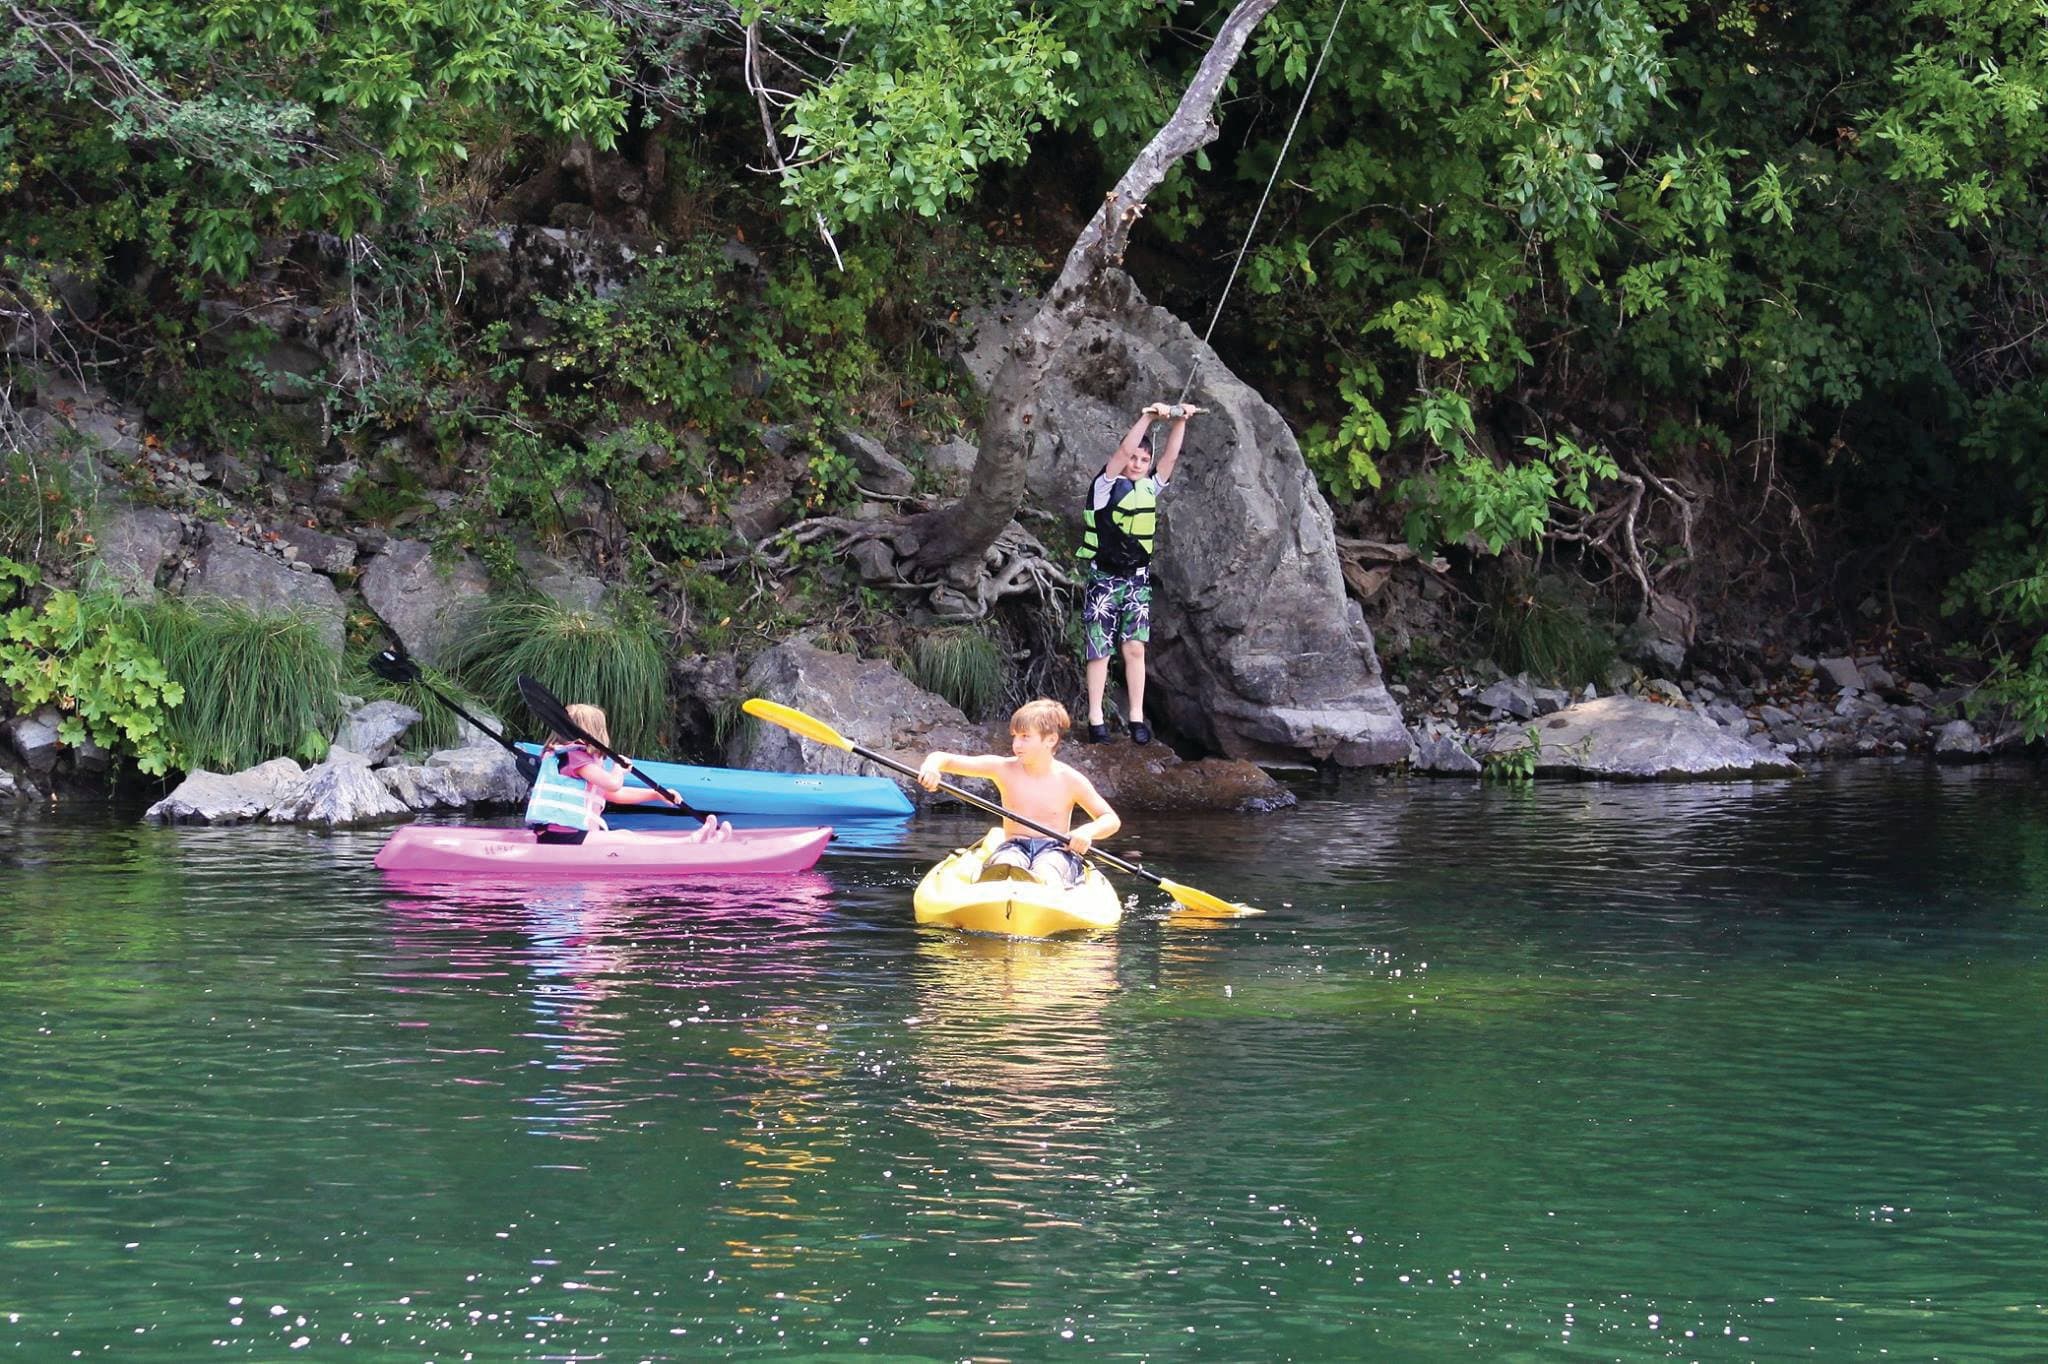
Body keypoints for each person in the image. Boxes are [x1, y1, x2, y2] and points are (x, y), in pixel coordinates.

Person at [1077, 399, 1204, 744]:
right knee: (1100, 648)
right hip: (1104, 579)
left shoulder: (1150, 485)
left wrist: (1180, 420)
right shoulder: (1105, 485)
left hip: (1136, 580)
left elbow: (1170, 459)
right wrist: (1147, 416)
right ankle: (1095, 718)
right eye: (1134, 458)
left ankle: (1136, 717)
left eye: (1143, 460)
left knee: (1134, 647)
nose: (1136, 463)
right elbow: (1123, 449)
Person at [916, 698, 1120, 887]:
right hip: (1014, 846)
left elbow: (1110, 819)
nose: (1016, 745)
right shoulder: (1003, 768)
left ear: (1050, 740)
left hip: (1056, 849)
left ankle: (1041, 888)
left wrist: (1086, 832)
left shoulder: (1070, 780)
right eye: (1015, 737)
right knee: (1006, 865)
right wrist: (931, 768)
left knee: (1047, 870)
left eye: (1025, 737)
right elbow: (942, 758)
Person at [523, 703, 729, 844]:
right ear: (595, 733)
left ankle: (696, 840)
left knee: (623, 836)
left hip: (568, 834)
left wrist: (655, 794)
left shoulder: (577, 760)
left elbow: (613, 795)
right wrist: (618, 769)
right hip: (561, 836)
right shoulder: (576, 759)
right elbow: (613, 785)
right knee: (624, 837)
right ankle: (689, 843)